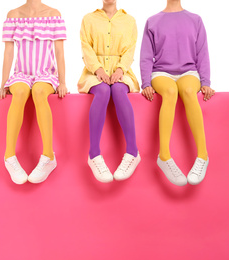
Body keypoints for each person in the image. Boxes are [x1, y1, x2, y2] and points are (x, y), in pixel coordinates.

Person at [140, 0, 215, 186]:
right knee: (171, 91)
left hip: (189, 71)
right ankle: (164, 155)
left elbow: (202, 53)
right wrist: (146, 83)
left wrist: (205, 82)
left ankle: (203, 155)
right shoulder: (152, 21)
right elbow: (146, 56)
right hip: (161, 72)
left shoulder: (195, 20)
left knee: (189, 90)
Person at [0, 0, 67, 184]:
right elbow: (8, 52)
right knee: (19, 92)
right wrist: (3, 82)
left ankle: (48, 155)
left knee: (38, 91)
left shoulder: (54, 14)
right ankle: (9, 156)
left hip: (46, 73)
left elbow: (59, 52)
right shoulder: (13, 15)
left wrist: (63, 82)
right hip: (21, 74)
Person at [78, 0, 141, 183]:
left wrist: (120, 69)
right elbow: (86, 47)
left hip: (122, 71)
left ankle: (132, 151)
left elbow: (130, 50)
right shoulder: (88, 19)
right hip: (93, 72)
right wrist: (98, 69)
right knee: (104, 91)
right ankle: (94, 154)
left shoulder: (129, 20)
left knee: (119, 91)